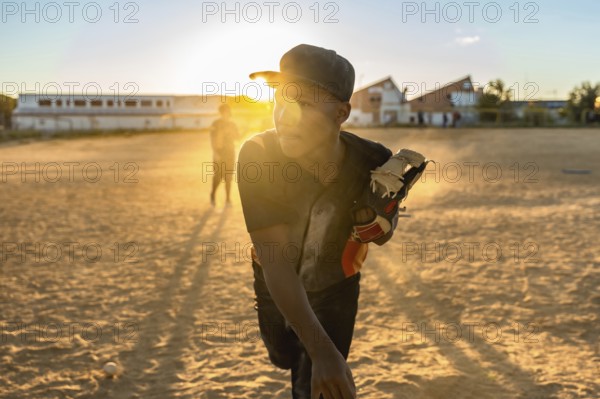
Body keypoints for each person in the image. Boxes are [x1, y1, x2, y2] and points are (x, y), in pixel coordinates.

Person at [237, 44, 398, 399]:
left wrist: (381, 220)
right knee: (283, 355)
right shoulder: (259, 156)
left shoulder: (374, 160)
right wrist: (321, 349)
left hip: (337, 284)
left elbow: (382, 231)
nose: (284, 115)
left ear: (341, 113)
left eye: (305, 104)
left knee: (315, 383)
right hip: (275, 279)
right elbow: (276, 260)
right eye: (280, 100)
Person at [209, 103, 239, 206]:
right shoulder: (216, 123)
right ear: (221, 112)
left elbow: (237, 137)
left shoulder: (232, 124)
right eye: (223, 111)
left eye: (227, 111)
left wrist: (246, 130)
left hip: (230, 153)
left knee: (228, 177)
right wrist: (215, 153)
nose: (226, 113)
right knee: (218, 176)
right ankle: (212, 194)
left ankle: (228, 199)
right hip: (219, 153)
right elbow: (212, 139)